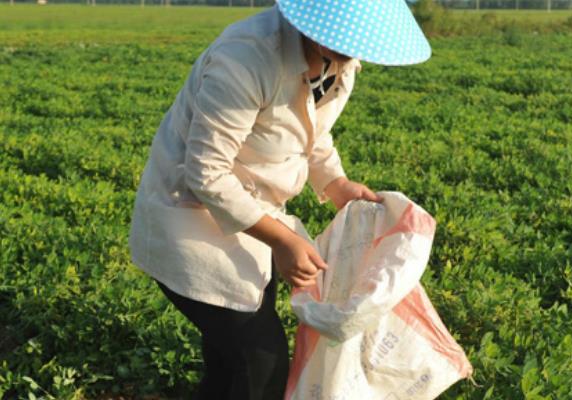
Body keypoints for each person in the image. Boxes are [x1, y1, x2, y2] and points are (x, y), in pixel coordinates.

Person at [128, 1, 431, 399]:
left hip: (254, 216)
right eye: (341, 34)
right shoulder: (246, 57)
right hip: (187, 217)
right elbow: (206, 173)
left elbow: (313, 131)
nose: (353, 52)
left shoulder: (340, 59)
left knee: (229, 356)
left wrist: (335, 183)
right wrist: (283, 241)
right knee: (260, 361)